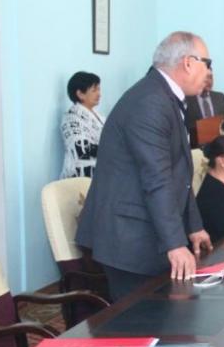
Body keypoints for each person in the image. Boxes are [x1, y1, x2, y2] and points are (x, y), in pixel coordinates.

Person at [76, 31, 213, 300]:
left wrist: (193, 226)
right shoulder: (150, 101)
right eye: (207, 63)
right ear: (188, 63)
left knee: (170, 314)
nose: (208, 71)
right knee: (141, 319)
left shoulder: (163, 96)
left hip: (145, 228)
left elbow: (178, 172)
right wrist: (175, 243)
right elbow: (157, 178)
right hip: (129, 238)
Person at [60, 71, 105, 178]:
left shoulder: (100, 117)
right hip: (80, 176)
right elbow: (82, 148)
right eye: (94, 90)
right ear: (80, 94)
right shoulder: (71, 118)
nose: (99, 94)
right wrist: (113, 148)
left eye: (99, 89)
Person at [185, 69, 224, 144]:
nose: (209, 81)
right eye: (205, 77)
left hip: (219, 143)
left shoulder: (220, 97)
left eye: (211, 77)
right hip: (195, 144)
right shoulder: (187, 98)